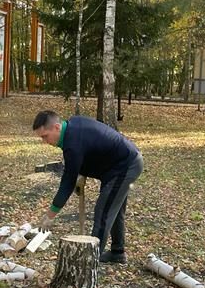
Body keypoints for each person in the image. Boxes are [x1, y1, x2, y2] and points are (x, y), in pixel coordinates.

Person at [33, 110, 143, 264]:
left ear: (56, 127)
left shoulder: (72, 143)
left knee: (103, 212)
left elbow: (67, 183)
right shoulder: (72, 127)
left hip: (125, 166)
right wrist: (81, 172)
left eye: (45, 136)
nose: (45, 141)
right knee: (113, 210)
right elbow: (89, 146)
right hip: (115, 167)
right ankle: (117, 253)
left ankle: (88, 262)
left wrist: (50, 214)